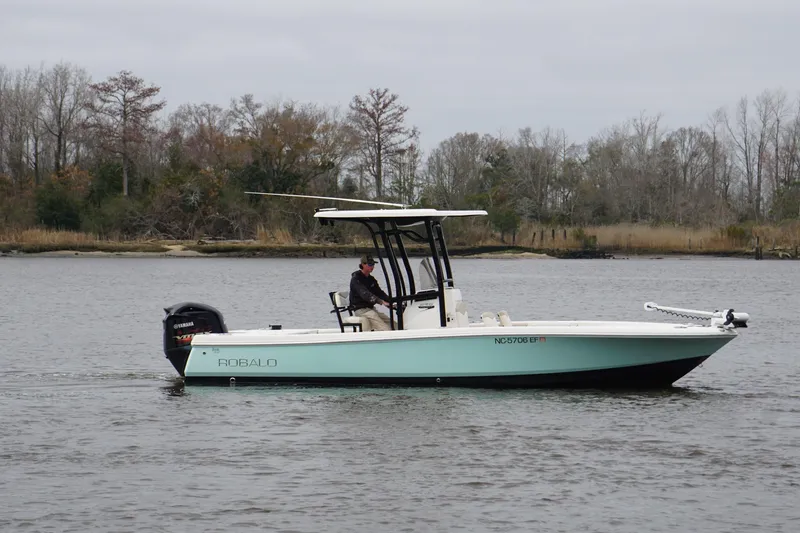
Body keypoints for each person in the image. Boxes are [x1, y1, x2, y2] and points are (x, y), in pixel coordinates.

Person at [349, 254, 393, 331]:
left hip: (371, 309)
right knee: (386, 329)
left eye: (373, 264)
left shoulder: (371, 279)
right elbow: (365, 294)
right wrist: (381, 301)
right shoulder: (356, 279)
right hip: (361, 310)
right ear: (363, 265)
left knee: (395, 325)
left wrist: (391, 302)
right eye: (369, 264)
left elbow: (379, 293)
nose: (372, 267)